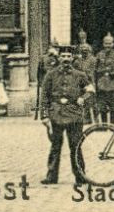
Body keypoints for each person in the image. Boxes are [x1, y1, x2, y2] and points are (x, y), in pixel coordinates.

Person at [37, 44, 92, 185]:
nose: (66, 59)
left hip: (74, 115)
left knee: (75, 146)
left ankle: (80, 176)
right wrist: (44, 116)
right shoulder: (50, 74)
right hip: (56, 114)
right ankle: (51, 176)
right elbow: (44, 97)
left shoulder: (80, 75)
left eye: (68, 56)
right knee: (55, 146)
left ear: (72, 58)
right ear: (59, 57)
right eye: (63, 56)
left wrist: (83, 98)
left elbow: (91, 90)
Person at [92, 34, 114, 125]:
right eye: (106, 44)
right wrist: (94, 84)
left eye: (110, 44)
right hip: (102, 84)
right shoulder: (99, 55)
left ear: (113, 44)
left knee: (113, 106)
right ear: (103, 44)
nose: (108, 46)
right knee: (102, 106)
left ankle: (112, 125)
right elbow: (94, 70)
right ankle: (104, 125)